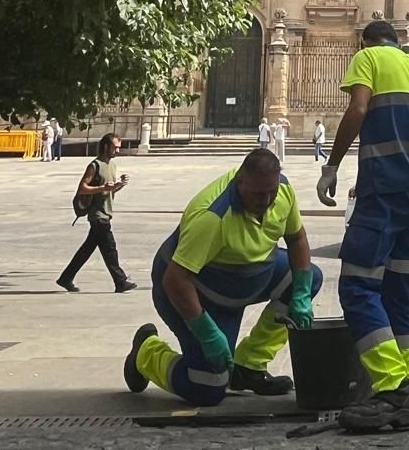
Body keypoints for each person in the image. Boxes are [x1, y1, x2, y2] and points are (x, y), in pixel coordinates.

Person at [317, 19, 409, 432]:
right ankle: (406, 389)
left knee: (358, 286)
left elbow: (358, 109)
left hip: (380, 190)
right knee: (399, 290)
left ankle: (392, 386)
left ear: (367, 42)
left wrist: (332, 165)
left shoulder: (368, 58)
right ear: (400, 43)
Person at [125, 149, 322, 406]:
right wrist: (207, 333)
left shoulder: (282, 191)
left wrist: (302, 294)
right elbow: (175, 279)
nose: (266, 200)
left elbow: (297, 239)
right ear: (240, 181)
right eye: (257, 194)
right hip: (192, 293)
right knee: (208, 388)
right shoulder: (212, 217)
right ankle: (146, 352)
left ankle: (249, 366)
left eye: (270, 192)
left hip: (246, 278)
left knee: (308, 277)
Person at [57, 132, 138, 293]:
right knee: (110, 249)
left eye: (119, 148)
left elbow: (109, 191)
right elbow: (82, 188)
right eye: (115, 148)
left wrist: (119, 185)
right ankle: (120, 281)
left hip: (106, 212)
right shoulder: (95, 165)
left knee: (86, 250)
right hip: (97, 215)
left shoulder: (112, 165)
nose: (117, 151)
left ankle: (66, 278)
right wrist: (103, 188)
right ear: (106, 146)